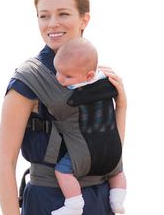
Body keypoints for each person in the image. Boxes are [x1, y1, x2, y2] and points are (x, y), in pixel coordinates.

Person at [0, 0, 127, 215]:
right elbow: (5, 163)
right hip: (49, 200)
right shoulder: (27, 81)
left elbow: (109, 144)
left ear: (84, 19)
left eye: (63, 13)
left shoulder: (97, 77)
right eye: (43, 16)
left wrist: (122, 105)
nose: (52, 23)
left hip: (100, 197)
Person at [52, 37, 127, 215]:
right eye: (58, 72)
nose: (60, 79)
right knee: (117, 173)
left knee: (62, 171)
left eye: (67, 76)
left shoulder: (75, 93)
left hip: (86, 150)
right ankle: (117, 201)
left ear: (89, 77)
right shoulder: (108, 82)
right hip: (112, 149)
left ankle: (74, 204)